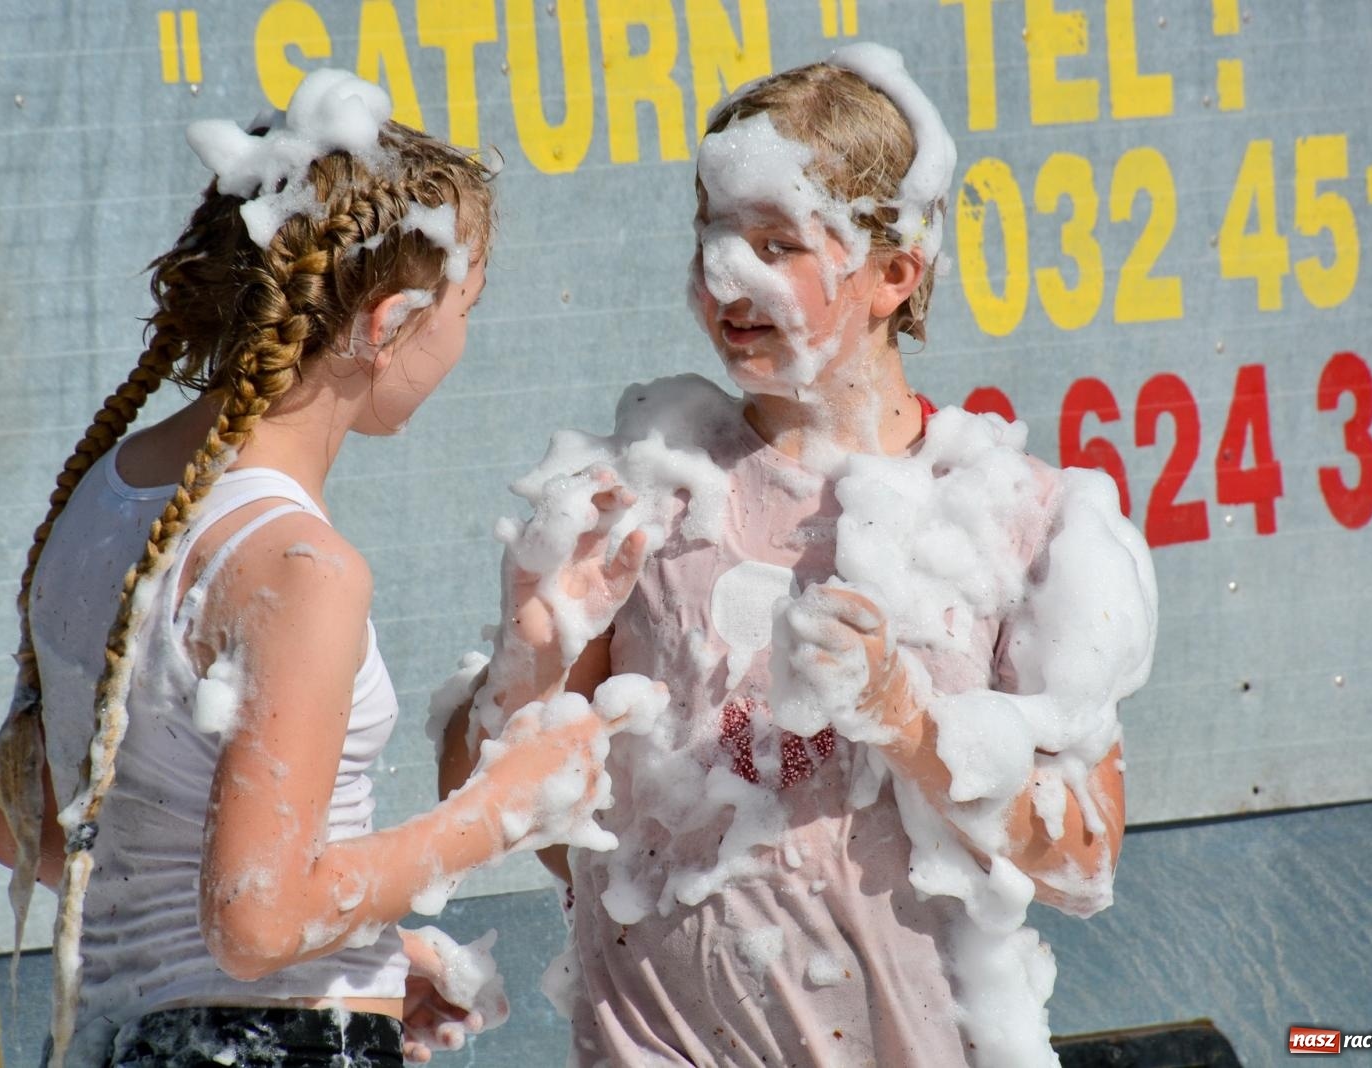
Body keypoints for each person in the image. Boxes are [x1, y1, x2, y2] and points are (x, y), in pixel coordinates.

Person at [439, 45, 1157, 1067]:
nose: (725, 274)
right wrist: (531, 657)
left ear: (894, 273)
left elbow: (1085, 858)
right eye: (713, 237)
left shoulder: (1010, 517)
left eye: (777, 244)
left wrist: (912, 725)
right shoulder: (639, 494)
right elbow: (489, 816)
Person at [0, 69, 628, 1068]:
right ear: (390, 319)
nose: (461, 340)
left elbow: (24, 830)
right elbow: (256, 923)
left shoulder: (104, 496)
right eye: (465, 306)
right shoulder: (297, 567)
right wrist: (503, 808)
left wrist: (370, 951)